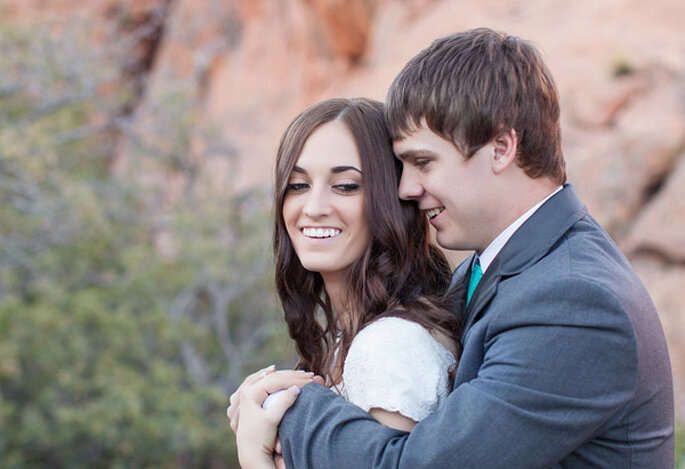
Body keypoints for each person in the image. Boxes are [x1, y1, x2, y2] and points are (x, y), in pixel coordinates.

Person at [230, 28, 675, 468]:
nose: (406, 188)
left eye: (423, 162)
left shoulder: (577, 301)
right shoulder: (488, 272)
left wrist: (292, 405)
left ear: (501, 147)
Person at [228, 97, 465, 468]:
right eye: (298, 185)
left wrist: (254, 454)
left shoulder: (389, 347)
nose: (315, 206)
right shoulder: (356, 336)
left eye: (346, 186)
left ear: (391, 200)